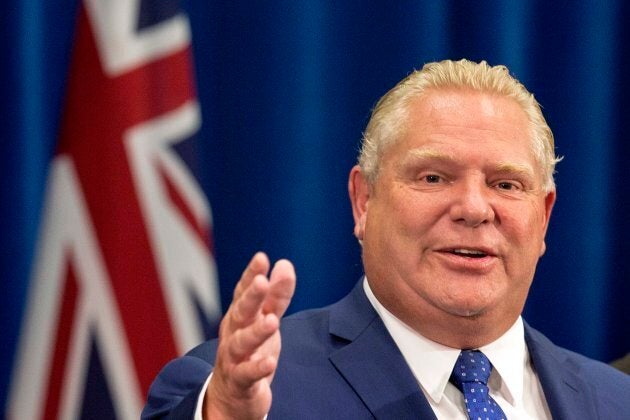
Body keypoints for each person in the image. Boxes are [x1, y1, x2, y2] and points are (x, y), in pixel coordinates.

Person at [142, 59, 630, 419]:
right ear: (364, 201)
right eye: (434, 177)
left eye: (506, 184)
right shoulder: (247, 392)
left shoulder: (614, 401)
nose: (474, 209)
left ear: (543, 218)